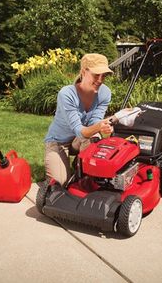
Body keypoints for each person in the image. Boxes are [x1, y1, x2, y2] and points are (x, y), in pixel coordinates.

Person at [44, 53, 114, 187]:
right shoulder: (67, 94)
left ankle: (83, 168)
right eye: (96, 75)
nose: (100, 80)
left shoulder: (104, 93)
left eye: (104, 75)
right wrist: (99, 126)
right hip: (59, 142)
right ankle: (76, 164)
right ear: (83, 72)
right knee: (60, 184)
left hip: (80, 141)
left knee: (95, 136)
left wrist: (103, 126)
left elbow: (94, 122)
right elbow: (79, 130)